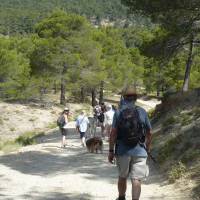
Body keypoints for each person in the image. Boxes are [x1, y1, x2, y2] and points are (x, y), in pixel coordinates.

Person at [108, 85, 152, 200]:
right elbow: (149, 132)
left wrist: (111, 151)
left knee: (122, 177)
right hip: (140, 150)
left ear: (124, 97)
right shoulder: (142, 111)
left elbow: (113, 133)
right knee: (136, 179)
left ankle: (121, 197)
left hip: (123, 151)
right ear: (136, 98)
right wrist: (148, 147)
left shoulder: (118, 112)